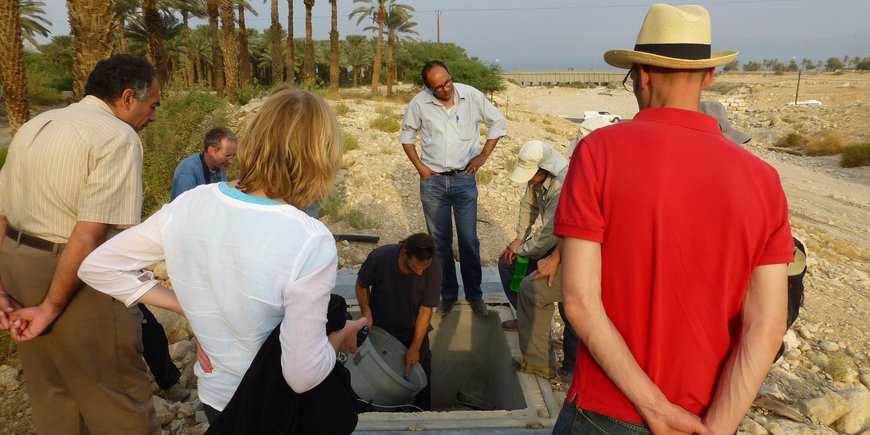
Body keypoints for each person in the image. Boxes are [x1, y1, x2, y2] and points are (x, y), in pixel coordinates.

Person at [553, 5, 794, 434]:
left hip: (608, 409)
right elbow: (768, 325)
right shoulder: (764, 179)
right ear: (708, 77)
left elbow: (580, 303)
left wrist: (657, 408)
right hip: (711, 417)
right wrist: (718, 427)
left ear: (642, 74)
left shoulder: (598, 152)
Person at [78, 88, 367, 432]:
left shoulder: (191, 203)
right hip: (273, 408)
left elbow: (99, 265)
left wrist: (190, 307)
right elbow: (302, 374)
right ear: (320, 156)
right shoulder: (310, 238)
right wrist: (339, 337)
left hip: (217, 399)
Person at [0, 54, 161, 434]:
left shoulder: (36, 125)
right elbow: (88, 236)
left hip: (16, 265)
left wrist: (2, 288)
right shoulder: (117, 138)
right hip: (76, 275)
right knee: (118, 397)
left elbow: (2, 215)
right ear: (127, 98)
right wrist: (51, 307)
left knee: (54, 395)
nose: (152, 116)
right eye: (152, 105)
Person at [400, 60, 507, 317]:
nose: (446, 89)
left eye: (447, 81)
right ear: (429, 88)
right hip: (433, 181)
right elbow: (406, 136)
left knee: (469, 241)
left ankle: (474, 295)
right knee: (440, 244)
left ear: (451, 76)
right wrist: (420, 167)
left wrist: (483, 155)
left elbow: (498, 122)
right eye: (438, 86)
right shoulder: (419, 103)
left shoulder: (471, 95)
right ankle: (447, 294)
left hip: (464, 179)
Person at [354, 233, 441, 410]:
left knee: (421, 380)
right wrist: (366, 313)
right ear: (404, 253)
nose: (420, 272)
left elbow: (425, 310)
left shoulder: (433, 269)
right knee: (375, 381)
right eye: (416, 267)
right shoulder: (380, 258)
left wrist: (415, 348)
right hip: (381, 330)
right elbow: (362, 285)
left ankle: (423, 419)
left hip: (412, 332)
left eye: (424, 268)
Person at [498, 140, 567, 319]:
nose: (529, 180)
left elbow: (549, 233)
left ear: (544, 169)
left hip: (567, 245)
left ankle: (539, 331)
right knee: (507, 264)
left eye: (531, 175)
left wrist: (521, 250)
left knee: (566, 306)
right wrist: (519, 238)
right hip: (551, 240)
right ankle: (524, 319)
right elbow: (528, 205)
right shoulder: (536, 178)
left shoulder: (561, 186)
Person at [170, 127, 238, 200]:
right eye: (227, 155)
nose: (231, 161)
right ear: (211, 151)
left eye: (233, 155)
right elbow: (182, 207)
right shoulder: (187, 172)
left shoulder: (220, 165)